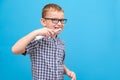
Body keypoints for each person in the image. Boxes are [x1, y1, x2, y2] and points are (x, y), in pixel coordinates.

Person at [12, 3, 76, 80]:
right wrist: (35, 32)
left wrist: (67, 71)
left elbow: (58, 63)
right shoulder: (37, 41)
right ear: (43, 22)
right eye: (54, 20)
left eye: (62, 20)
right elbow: (15, 50)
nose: (59, 23)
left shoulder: (61, 43)